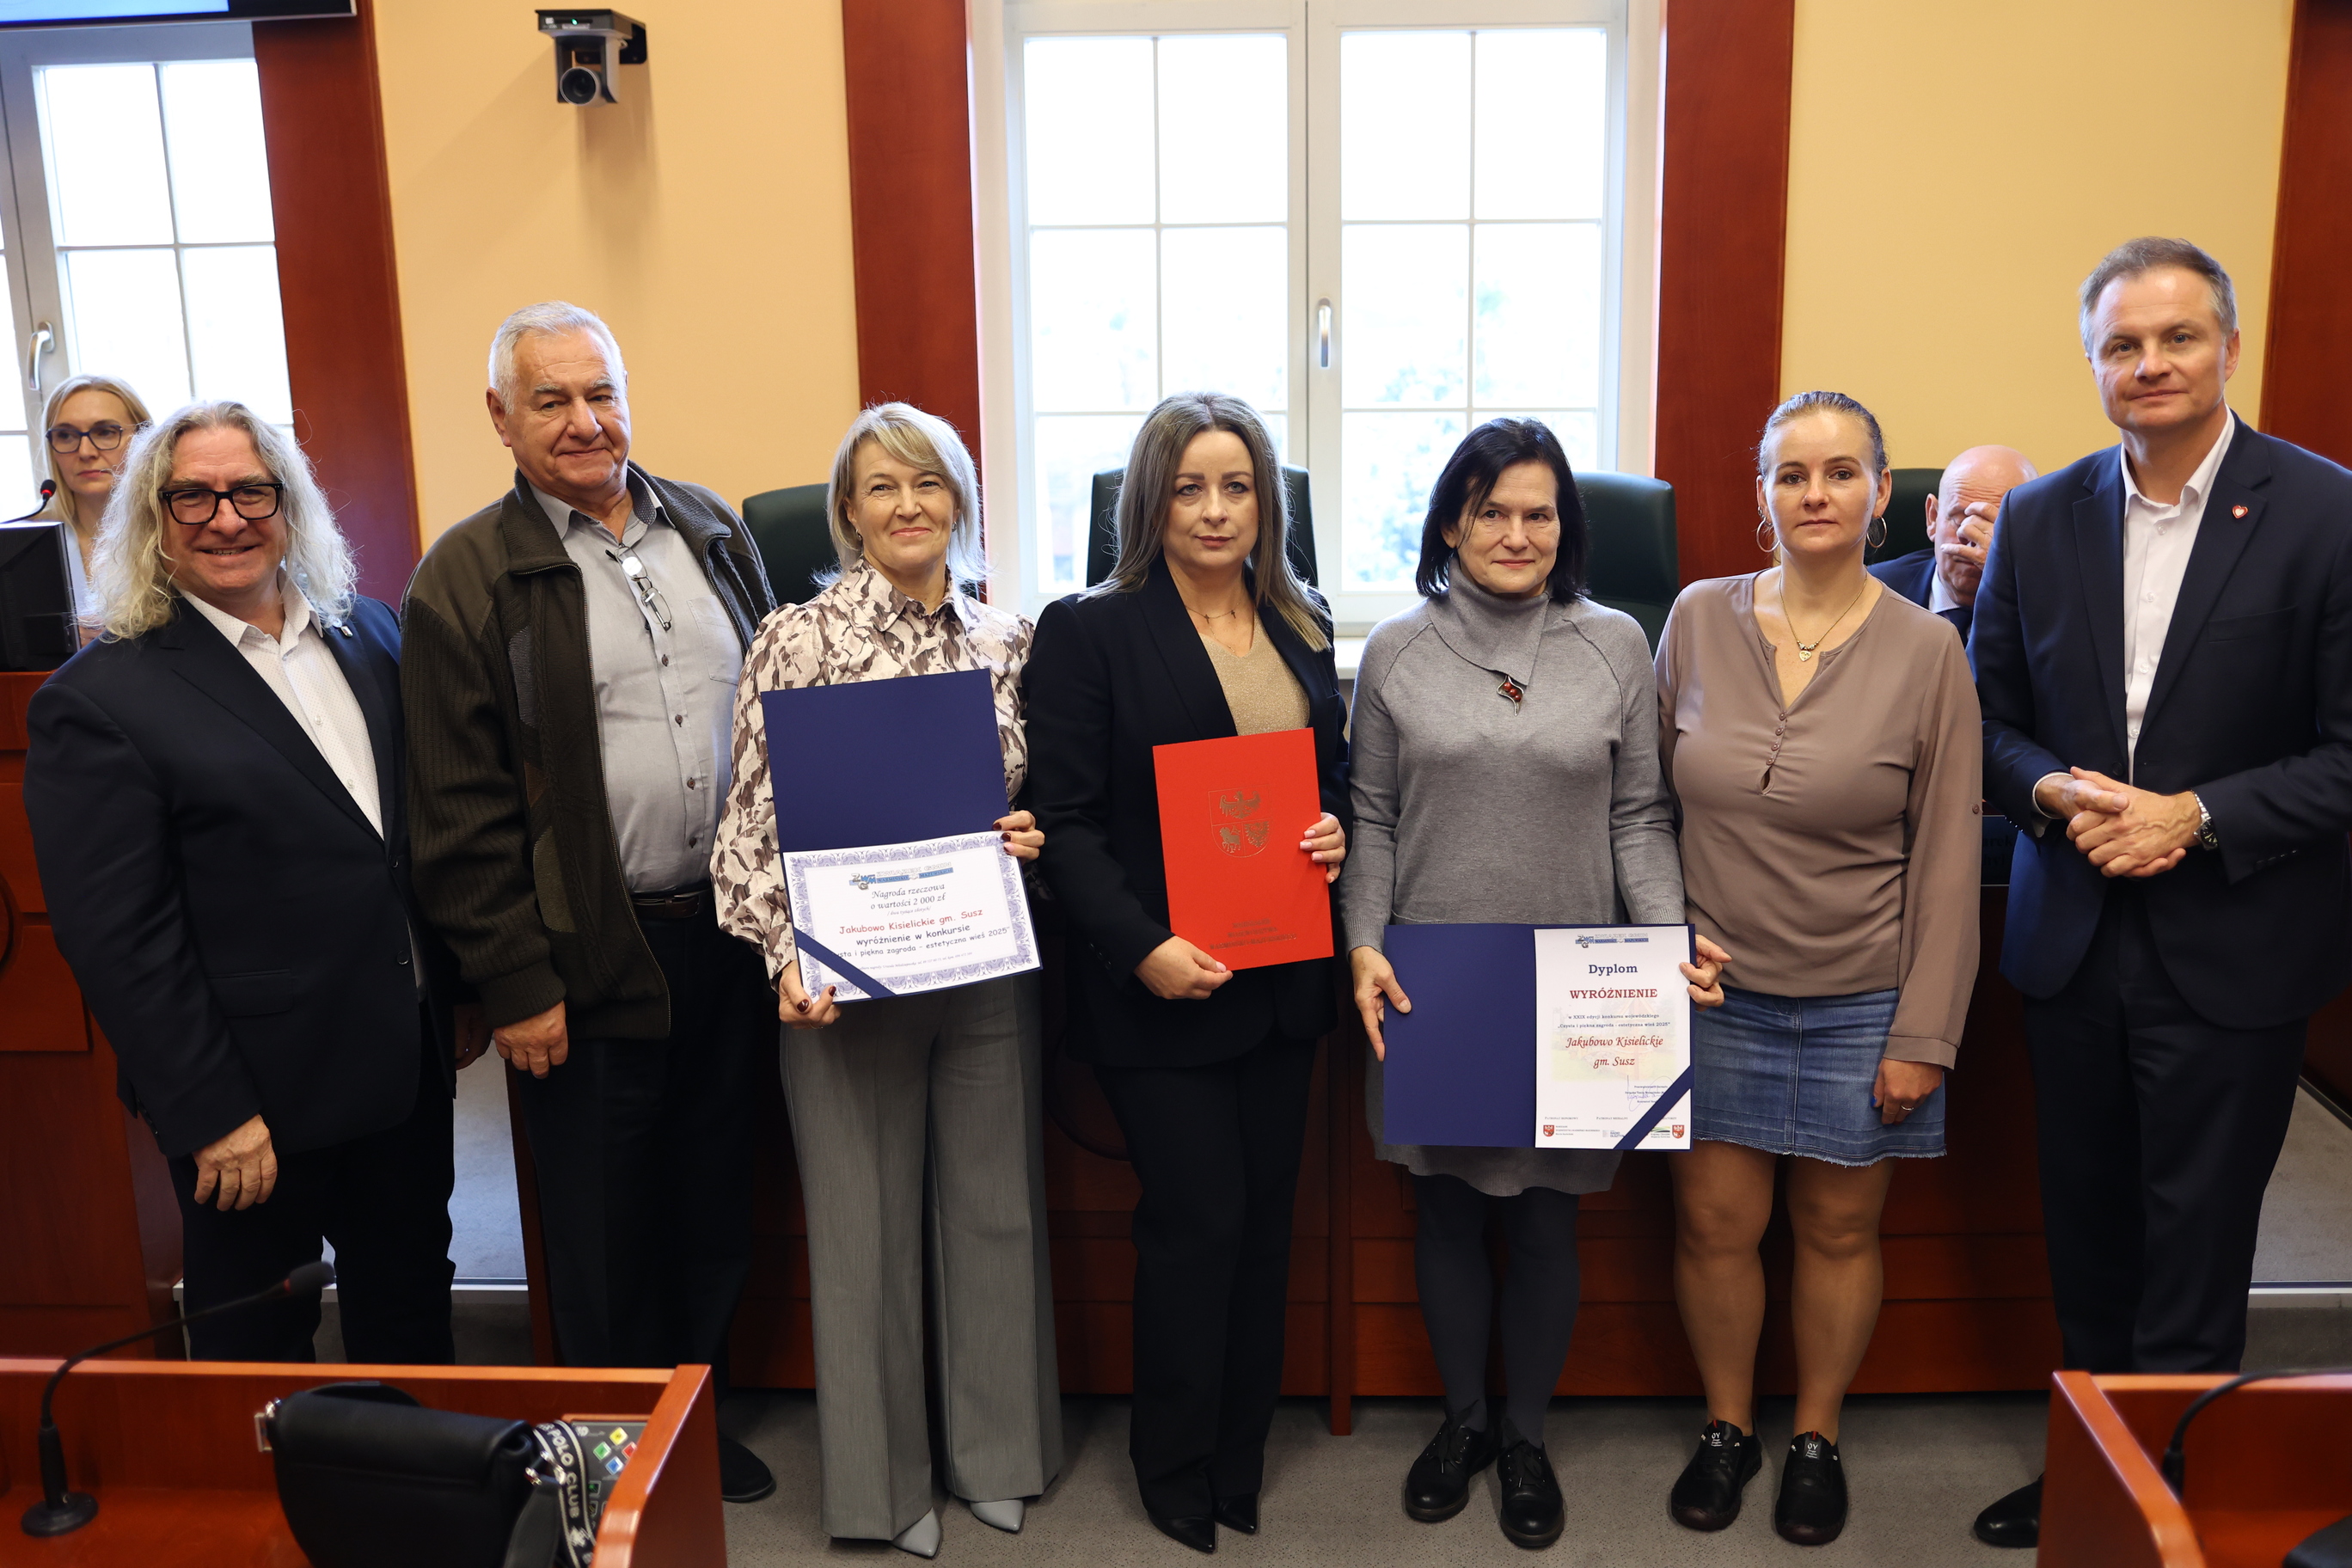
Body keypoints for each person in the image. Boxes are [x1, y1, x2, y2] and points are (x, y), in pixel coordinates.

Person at [1967, 238, 2352, 1550]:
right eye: (2121, 345)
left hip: (2235, 940)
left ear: (2228, 347)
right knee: (2087, 1233)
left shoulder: (2326, 512)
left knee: (2197, 1247)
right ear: (2093, 364)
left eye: (2176, 338)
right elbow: (1989, 717)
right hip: (2073, 938)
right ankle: (2094, 1473)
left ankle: (2173, 1495)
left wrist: (2197, 815)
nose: (2150, 365)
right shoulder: (2039, 516)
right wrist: (2051, 794)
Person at [401, 302, 779, 1502]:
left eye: (601, 392)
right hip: (584, 955)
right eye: (552, 399)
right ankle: (619, 1464)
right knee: (606, 1231)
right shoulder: (465, 574)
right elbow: (455, 808)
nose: (584, 421)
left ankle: (692, 1430)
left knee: (714, 1201)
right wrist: (515, 980)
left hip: (728, 937)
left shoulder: (712, 529)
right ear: (501, 417)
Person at [1341, 418, 1729, 1551]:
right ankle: (1463, 1423)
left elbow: (1640, 817)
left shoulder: (1615, 643)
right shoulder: (1396, 651)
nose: (1517, 534)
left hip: (1577, 984)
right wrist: (1362, 944)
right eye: (1492, 512)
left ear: (1567, 527)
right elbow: (1369, 818)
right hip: (1434, 979)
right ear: (1450, 525)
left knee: (1551, 1221)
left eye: (1539, 513)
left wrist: (1665, 946)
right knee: (1447, 1210)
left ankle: (1524, 1438)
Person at [24, 401, 477, 1362]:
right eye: (192, 497)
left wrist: (456, 997)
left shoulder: (373, 635)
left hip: (401, 1073)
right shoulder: (99, 699)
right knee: (255, 1353)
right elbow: (119, 941)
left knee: (411, 1317)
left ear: (288, 504)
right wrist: (212, 1113)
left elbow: (408, 845)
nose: (226, 518)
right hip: (252, 1106)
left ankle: (410, 1464)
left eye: (250, 492)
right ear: (153, 520)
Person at [710, 403, 1062, 1558]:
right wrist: (785, 959)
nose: (909, 505)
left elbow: (1043, 800)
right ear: (848, 513)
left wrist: (1033, 837)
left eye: (930, 483)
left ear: (960, 500)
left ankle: (997, 1455)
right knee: (860, 1236)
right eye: (882, 487)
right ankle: (883, 1488)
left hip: (982, 971)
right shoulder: (795, 638)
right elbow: (746, 831)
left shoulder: (1010, 639)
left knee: (995, 1213)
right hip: (840, 981)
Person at [1025, 391, 1349, 1554]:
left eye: (1238, 486)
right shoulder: (1091, 629)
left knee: (1264, 1229)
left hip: (1282, 982)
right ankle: (1170, 1460)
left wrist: (1332, 829)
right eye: (1189, 488)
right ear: (1148, 502)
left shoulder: (1302, 622)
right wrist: (1142, 947)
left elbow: (1328, 778)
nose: (1215, 510)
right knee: (1195, 1222)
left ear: (1267, 503)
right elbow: (1063, 820)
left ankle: (1237, 1458)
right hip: (1162, 986)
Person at [1657, 390, 1981, 1547]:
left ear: (1881, 493)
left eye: (1841, 472)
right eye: (1791, 473)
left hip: (1863, 997)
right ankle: (1728, 1427)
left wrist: (1923, 1033)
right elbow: (1644, 805)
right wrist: (1660, 938)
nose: (1815, 493)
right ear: (1763, 494)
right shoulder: (1696, 618)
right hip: (1712, 992)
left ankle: (1815, 1435)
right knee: (1714, 1227)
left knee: (1840, 1232)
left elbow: (1947, 853)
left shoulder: (1929, 649)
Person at [1865, 444, 2038, 643]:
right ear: (1933, 518)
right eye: (1959, 519)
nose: (1972, 537)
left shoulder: (2051, 609)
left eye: (1996, 526)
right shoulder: (1870, 593)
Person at [34, 373, 152, 627]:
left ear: (144, 438)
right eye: (66, 436)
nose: (85, 452)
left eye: (105, 432)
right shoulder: (29, 543)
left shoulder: (177, 531)